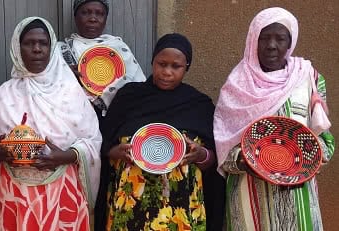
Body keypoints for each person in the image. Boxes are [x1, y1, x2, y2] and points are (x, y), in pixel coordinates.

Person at [214, 7, 334, 231]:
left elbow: (324, 139)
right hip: (249, 195)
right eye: (264, 38)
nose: (271, 45)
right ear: (253, 41)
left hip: (297, 199)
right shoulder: (237, 85)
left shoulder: (309, 78)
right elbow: (222, 142)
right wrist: (247, 161)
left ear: (290, 43)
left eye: (280, 38)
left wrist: (304, 161)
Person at [0, 17, 102, 230]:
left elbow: (93, 141)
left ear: (52, 48)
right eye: (29, 43)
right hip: (14, 195)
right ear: (18, 48)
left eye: (43, 43)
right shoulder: (3, 95)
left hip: (62, 191)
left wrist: (65, 156)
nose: (37, 49)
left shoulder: (72, 92)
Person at [99, 33, 225, 230]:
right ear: (152, 62)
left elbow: (214, 159)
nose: (167, 72)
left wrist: (201, 155)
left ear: (187, 68)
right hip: (130, 203)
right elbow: (103, 142)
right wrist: (112, 152)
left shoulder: (198, 104)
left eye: (176, 66)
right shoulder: (129, 97)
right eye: (161, 64)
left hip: (181, 208)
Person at [59, 0, 146, 118]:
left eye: (99, 14)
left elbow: (138, 89)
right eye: (85, 13)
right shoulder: (62, 50)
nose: (93, 19)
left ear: (106, 18)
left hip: (116, 118)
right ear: (75, 16)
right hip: (74, 119)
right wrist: (65, 75)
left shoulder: (118, 48)